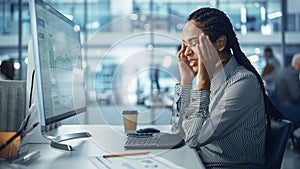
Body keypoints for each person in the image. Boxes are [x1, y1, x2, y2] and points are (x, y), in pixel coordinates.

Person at [171, 7, 273, 169]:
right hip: (201, 162)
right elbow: (178, 131)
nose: (187, 53)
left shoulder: (243, 83)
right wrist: (185, 82)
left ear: (220, 43)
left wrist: (203, 83)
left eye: (195, 44)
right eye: (184, 45)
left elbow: (192, 139)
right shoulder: (210, 80)